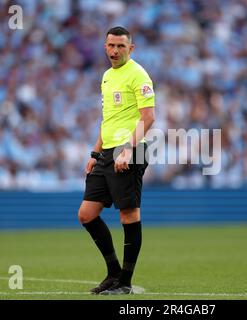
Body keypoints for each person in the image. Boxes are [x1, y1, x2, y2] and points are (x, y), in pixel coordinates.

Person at [77, 26, 155, 295]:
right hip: (107, 151)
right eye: (111, 45)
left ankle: (125, 282)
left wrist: (128, 150)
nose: (114, 51)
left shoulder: (138, 74)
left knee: (128, 214)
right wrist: (95, 153)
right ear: (104, 46)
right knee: (86, 214)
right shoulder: (107, 77)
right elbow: (107, 119)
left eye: (121, 46)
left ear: (130, 49)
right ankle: (113, 273)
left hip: (132, 149)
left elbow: (148, 118)